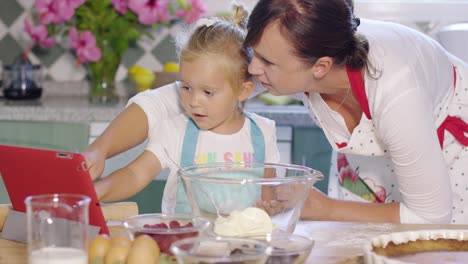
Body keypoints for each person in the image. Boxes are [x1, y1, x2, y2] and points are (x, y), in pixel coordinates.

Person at [84, 0, 468, 224]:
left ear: (319, 67)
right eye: (254, 54)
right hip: (370, 168)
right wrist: (100, 151)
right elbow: (171, 98)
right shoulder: (297, 51)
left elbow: (431, 215)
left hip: (448, 155)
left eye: (264, 62)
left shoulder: (397, 91)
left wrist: (325, 207)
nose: (251, 70)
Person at [91, 6, 280, 214]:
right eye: (186, 87)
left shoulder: (263, 132)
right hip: (186, 242)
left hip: (245, 244)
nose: (194, 101)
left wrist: (270, 208)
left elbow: (269, 193)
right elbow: (135, 174)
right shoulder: (175, 131)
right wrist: (96, 190)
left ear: (243, 91)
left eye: (208, 92)